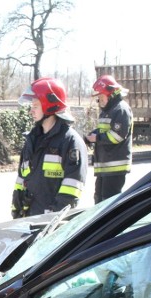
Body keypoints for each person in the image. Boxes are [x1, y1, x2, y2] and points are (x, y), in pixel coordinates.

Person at [11, 77, 88, 218]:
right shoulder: (31, 140)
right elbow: (22, 178)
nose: (31, 111)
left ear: (49, 106)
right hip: (28, 220)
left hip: (51, 226)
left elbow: (72, 189)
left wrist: (53, 218)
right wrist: (16, 207)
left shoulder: (70, 142)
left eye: (35, 106)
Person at [86, 75, 133, 203]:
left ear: (111, 95)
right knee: (99, 202)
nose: (99, 101)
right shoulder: (106, 111)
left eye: (101, 97)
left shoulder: (121, 109)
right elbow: (103, 131)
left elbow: (117, 136)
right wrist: (92, 136)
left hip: (115, 167)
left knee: (109, 203)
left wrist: (97, 138)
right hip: (104, 167)